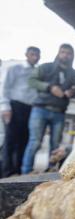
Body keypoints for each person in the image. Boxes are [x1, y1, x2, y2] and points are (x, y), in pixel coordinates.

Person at [21, 44, 75, 174]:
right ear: (58, 53)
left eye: (68, 53)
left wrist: (72, 92)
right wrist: (49, 87)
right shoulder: (45, 67)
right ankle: (25, 172)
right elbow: (31, 81)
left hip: (59, 112)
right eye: (63, 52)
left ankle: (51, 171)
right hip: (40, 109)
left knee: (55, 145)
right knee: (34, 142)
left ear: (72, 55)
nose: (65, 55)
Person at [0, 47, 40, 177]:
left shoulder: (37, 73)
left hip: (30, 109)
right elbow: (5, 87)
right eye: (32, 54)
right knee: (10, 140)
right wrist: (5, 107)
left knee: (24, 140)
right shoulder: (15, 68)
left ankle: (17, 171)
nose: (35, 57)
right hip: (14, 106)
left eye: (37, 55)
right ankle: (7, 172)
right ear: (27, 55)